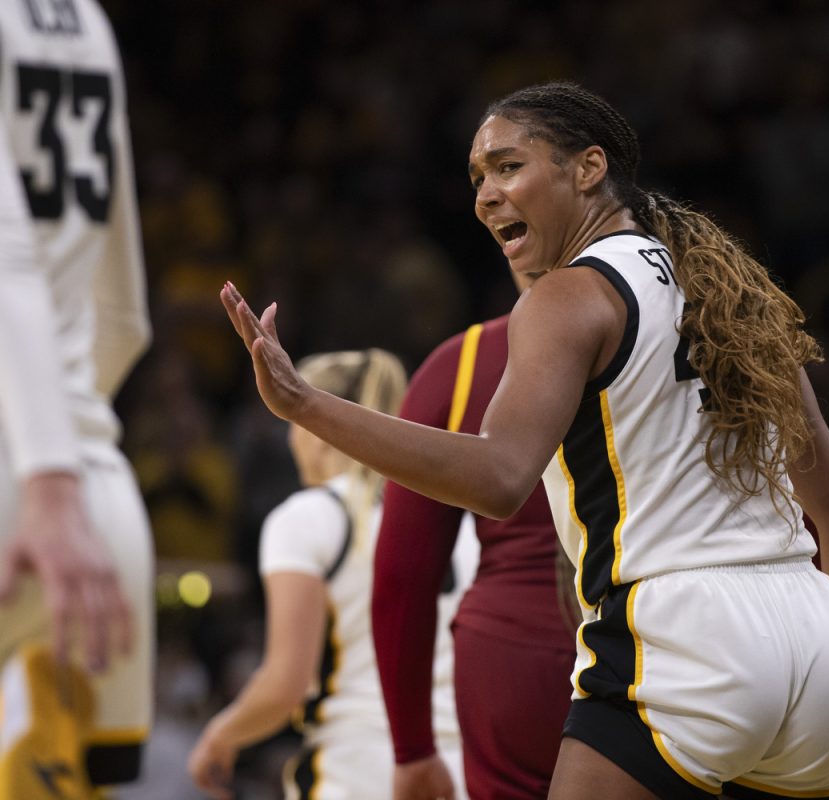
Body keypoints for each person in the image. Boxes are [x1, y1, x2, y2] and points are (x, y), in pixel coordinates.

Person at [222, 80, 829, 799]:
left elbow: (500, 479)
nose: (485, 195)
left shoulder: (568, 295)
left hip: (687, 638)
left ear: (589, 168)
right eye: (478, 177)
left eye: (508, 167)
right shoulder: (738, 301)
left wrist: (304, 404)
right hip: (819, 647)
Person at [0, 0, 154, 795]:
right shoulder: (84, 19)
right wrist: (75, 442)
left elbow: (5, 255)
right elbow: (123, 315)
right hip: (102, 495)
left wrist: (46, 478)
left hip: (42, 486)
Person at [188, 349, 419, 800]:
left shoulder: (308, 517)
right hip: (454, 771)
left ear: (318, 428)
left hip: (355, 767)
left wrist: (220, 734)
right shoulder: (447, 518)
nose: (291, 441)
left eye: (292, 422)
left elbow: (285, 683)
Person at [373, 291, 578, 800]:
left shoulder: (463, 363)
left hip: (511, 659)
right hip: (657, 647)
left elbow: (403, 576)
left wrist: (412, 748)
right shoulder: (690, 334)